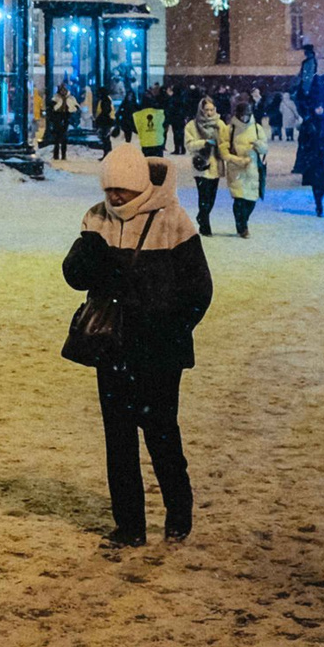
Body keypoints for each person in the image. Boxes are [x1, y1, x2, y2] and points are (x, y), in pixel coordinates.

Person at [63, 143, 213, 549]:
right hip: (111, 347)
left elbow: (199, 290)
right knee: (119, 439)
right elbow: (74, 277)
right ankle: (129, 525)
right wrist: (91, 251)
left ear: (141, 186)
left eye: (123, 190)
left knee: (162, 433)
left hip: (159, 351)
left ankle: (178, 512)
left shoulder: (175, 221)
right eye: (110, 189)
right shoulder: (97, 219)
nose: (114, 197)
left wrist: (173, 329)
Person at [179, 96, 225, 236]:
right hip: (201, 166)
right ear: (201, 110)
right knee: (204, 197)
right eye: (206, 110)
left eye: (212, 110)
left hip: (216, 165)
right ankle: (205, 225)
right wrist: (204, 143)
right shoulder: (192, 125)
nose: (209, 113)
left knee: (211, 198)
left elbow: (225, 142)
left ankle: (201, 216)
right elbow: (189, 145)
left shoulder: (220, 124)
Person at [221, 99, 267, 238]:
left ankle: (244, 221)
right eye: (242, 115)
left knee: (251, 200)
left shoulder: (257, 128)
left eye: (247, 115)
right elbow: (223, 151)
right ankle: (242, 227)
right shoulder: (230, 129)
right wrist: (237, 160)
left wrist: (259, 145)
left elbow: (265, 148)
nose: (245, 118)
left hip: (253, 169)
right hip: (236, 169)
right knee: (239, 199)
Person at [299, 98, 324, 217]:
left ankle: (319, 200)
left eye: (321, 107)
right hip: (314, 157)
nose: (320, 110)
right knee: (316, 182)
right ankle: (318, 203)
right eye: (317, 107)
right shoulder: (308, 123)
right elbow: (303, 140)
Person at [131, 86, 169, 159]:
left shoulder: (138, 115)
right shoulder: (159, 113)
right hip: (158, 141)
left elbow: (134, 128)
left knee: (148, 162)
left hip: (145, 142)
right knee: (158, 163)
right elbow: (165, 124)